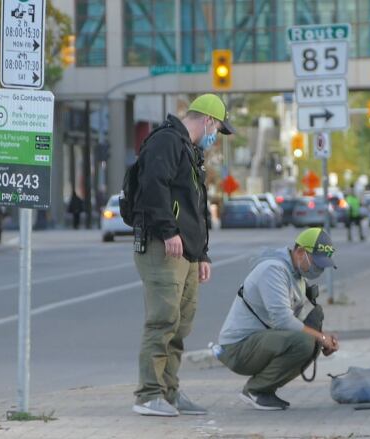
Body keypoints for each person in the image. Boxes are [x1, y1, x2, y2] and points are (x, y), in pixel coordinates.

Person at [132, 94, 235, 417]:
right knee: (163, 320)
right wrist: (167, 231)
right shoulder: (166, 141)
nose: (216, 136)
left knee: (180, 324)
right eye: (217, 128)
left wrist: (202, 253)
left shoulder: (191, 151)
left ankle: (170, 391)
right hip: (163, 246)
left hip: (187, 251)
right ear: (207, 120)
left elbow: (196, 208)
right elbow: (153, 186)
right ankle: (149, 394)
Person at [216, 228, 339, 410]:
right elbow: (283, 321)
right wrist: (319, 338)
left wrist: (323, 342)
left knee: (311, 337)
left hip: (259, 342)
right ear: (299, 252)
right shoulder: (273, 269)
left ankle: (263, 390)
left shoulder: (297, 276)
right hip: (237, 348)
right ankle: (256, 390)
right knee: (305, 341)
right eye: (317, 262)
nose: (319, 269)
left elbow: (300, 322)